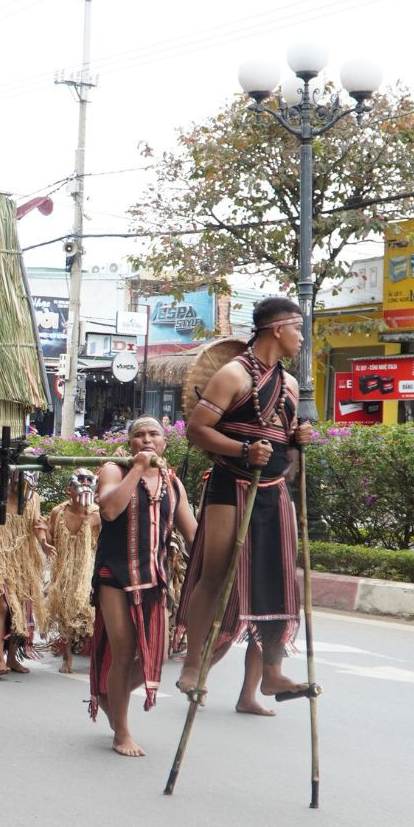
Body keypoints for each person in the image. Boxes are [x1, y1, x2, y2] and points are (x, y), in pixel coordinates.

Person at [177, 296, 316, 714]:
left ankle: (271, 672)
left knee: (275, 582)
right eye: (299, 330)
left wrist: (298, 439)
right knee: (215, 576)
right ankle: (192, 662)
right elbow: (198, 430)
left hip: (273, 491)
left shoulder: (289, 384)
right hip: (231, 487)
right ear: (278, 329)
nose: (302, 339)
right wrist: (241, 449)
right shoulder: (232, 374)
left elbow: (283, 437)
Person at [90, 417, 196, 756]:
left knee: (158, 655)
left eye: (154, 434)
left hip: (153, 578)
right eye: (139, 435)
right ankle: (121, 731)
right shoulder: (114, 470)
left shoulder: (172, 484)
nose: (147, 439)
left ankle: (110, 695)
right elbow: (108, 509)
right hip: (114, 577)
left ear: (165, 442)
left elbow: (194, 534)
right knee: (124, 653)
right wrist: (136, 469)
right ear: (130, 443)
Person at [0, 476, 53, 677]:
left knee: (21, 610)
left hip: (22, 557)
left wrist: (43, 543)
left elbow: (37, 525)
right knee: (2, 604)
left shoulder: (33, 497)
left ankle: (11, 658)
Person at [41, 469, 101, 673]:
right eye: (79, 483)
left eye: (88, 482)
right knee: (65, 611)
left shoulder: (97, 514)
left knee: (90, 612)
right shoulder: (58, 512)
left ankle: (97, 653)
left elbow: (102, 543)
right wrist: (42, 537)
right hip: (64, 570)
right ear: (69, 490)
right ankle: (67, 658)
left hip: (87, 569)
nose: (84, 486)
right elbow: (50, 540)